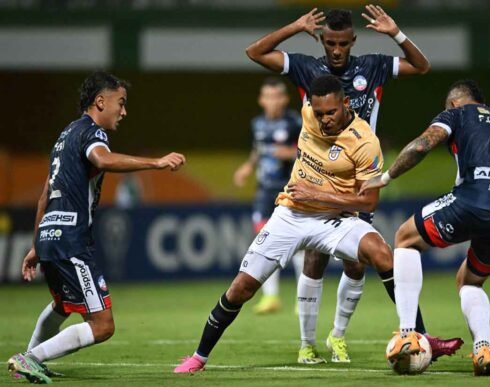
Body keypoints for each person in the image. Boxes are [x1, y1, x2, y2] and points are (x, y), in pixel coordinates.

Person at [246, 6, 461, 363]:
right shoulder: (305, 66)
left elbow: (422, 66)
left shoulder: (373, 66)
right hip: (317, 175)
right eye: (330, 42)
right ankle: (306, 344)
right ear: (323, 40)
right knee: (314, 259)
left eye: (342, 43)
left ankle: (338, 337)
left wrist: (396, 33)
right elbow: (255, 52)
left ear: (352, 41)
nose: (335, 50)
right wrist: (296, 26)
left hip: (360, 178)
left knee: (356, 264)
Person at [174, 75, 418, 374]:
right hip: (290, 215)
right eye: (319, 114)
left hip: (334, 219)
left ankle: (415, 333)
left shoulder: (365, 142)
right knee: (241, 288)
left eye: (331, 112)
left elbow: (368, 203)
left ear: (345, 103)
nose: (325, 120)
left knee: (381, 253)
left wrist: (316, 193)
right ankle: (198, 357)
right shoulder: (305, 113)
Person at [7, 71, 186, 384]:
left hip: (51, 234)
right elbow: (102, 160)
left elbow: (44, 197)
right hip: (71, 240)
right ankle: (30, 358)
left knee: (63, 305)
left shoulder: (64, 136)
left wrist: (37, 244)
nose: (124, 111)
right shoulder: (92, 133)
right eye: (121, 103)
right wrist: (156, 163)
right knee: (103, 325)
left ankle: (30, 360)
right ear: (100, 101)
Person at [359, 79, 490, 376]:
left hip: (476, 198)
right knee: (469, 281)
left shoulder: (457, 114)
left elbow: (423, 144)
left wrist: (385, 177)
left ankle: (408, 333)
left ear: (454, 103)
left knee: (405, 238)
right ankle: (483, 347)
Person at [233, 77, 304, 314]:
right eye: (268, 97)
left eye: (277, 96)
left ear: (284, 99)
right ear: (261, 100)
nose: (273, 101)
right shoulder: (258, 124)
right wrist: (247, 167)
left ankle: (302, 298)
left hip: (290, 190)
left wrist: (291, 153)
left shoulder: (296, 122)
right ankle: (271, 297)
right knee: (263, 241)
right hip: (264, 190)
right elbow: (258, 150)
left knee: (297, 244)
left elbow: (311, 151)